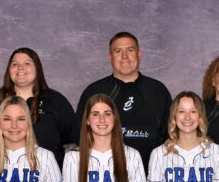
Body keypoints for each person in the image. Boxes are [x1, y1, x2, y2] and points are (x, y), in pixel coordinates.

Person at [74, 31, 172, 170]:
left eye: (130, 50)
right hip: (104, 179)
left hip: (151, 178)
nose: (124, 56)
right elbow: (80, 135)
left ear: (139, 54)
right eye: (118, 51)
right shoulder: (94, 91)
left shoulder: (157, 90)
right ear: (110, 57)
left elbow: (172, 136)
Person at [0, 48, 75, 169]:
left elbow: (71, 136)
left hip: (49, 174)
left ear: (37, 68)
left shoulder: (55, 101)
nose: (20, 68)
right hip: (5, 175)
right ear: (9, 70)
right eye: (15, 64)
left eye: (27, 63)